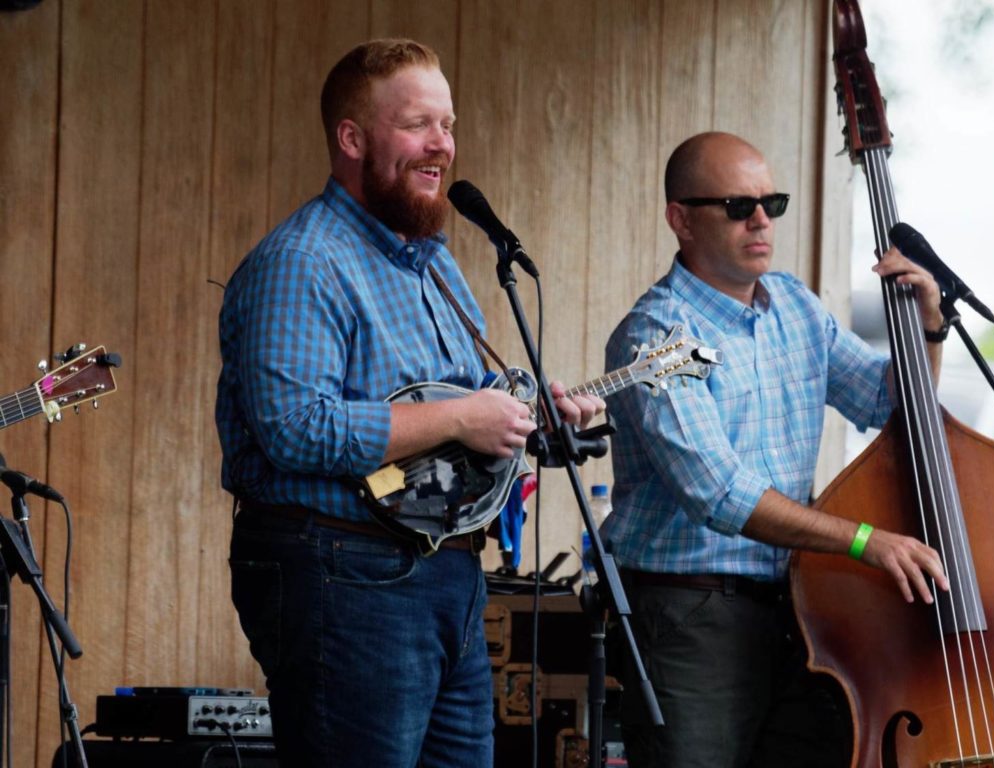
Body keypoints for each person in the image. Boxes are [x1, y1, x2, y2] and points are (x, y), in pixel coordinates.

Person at [215, 39, 601, 768]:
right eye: (419, 125)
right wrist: (463, 417)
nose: (442, 146)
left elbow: (465, 396)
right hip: (344, 572)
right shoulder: (304, 261)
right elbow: (295, 431)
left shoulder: (436, 261)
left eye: (448, 126)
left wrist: (520, 405)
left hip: (444, 573)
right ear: (353, 139)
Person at [602, 131, 950, 768]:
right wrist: (863, 539)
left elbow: (884, 403)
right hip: (692, 614)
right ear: (680, 218)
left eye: (773, 203)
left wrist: (928, 325)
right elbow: (718, 493)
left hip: (799, 607)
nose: (761, 220)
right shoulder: (655, 335)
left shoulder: (794, 303)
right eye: (738, 206)